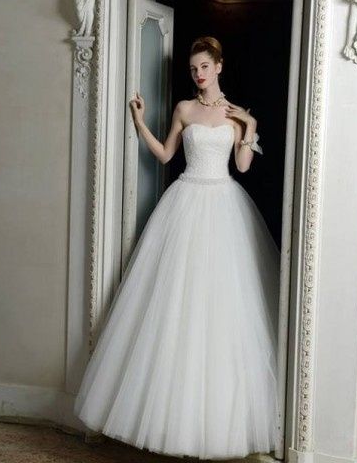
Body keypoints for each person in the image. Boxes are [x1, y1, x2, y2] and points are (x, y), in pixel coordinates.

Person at [74, 36, 280, 460]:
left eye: (204, 66)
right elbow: (167, 156)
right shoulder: (185, 109)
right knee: (173, 305)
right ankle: (167, 423)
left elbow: (242, 167)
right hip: (185, 201)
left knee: (219, 308)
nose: (198, 74)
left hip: (223, 205)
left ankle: (214, 427)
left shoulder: (235, 116)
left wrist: (251, 126)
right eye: (193, 69)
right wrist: (139, 122)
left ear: (219, 66)